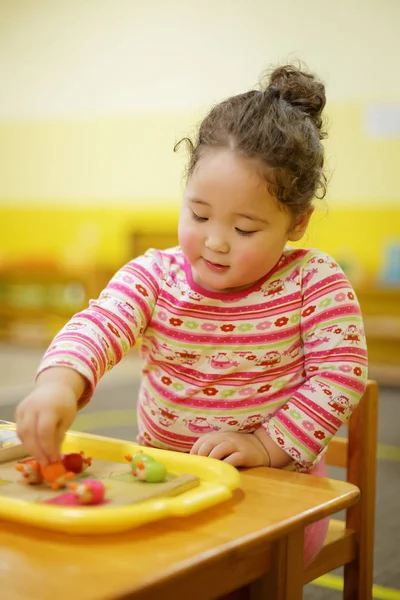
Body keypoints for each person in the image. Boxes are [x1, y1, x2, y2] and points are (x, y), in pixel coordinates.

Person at [15, 63, 367, 564]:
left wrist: (265, 445)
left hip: (272, 490)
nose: (216, 242)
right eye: (199, 215)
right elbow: (100, 323)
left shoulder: (314, 281)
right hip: (169, 482)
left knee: (223, 569)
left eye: (245, 229)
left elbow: (340, 377)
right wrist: (59, 383)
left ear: (298, 222)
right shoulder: (156, 275)